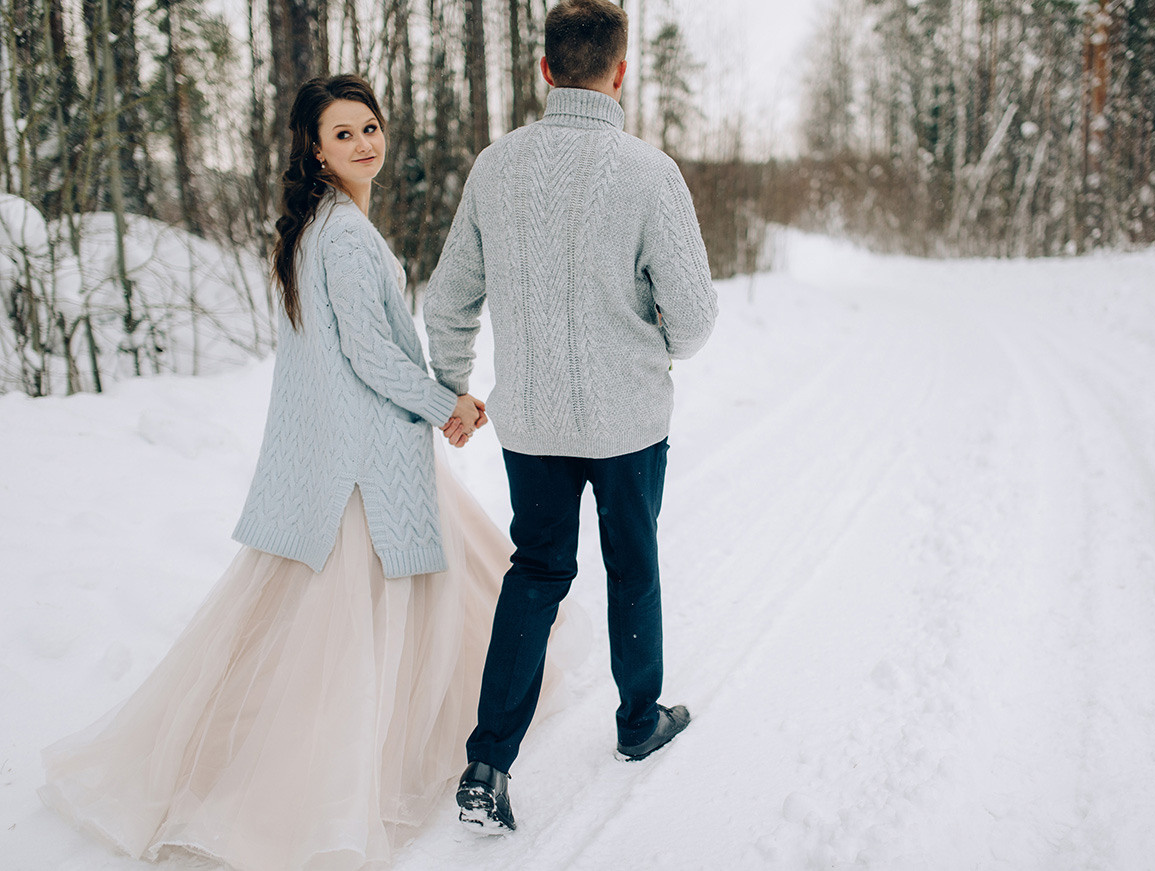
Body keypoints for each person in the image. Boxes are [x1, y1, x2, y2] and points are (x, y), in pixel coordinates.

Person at [39, 74, 536, 871]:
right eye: (344, 134)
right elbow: (370, 354)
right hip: (358, 461)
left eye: (370, 126)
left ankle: (336, 745)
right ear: (315, 148)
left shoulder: (325, 224)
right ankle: (303, 783)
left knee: (377, 608)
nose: (366, 143)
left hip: (355, 450)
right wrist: (447, 401)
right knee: (346, 636)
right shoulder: (338, 234)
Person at [424, 0, 718, 833]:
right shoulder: (649, 172)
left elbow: (448, 299)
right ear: (619, 72)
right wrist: (648, 331)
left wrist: (452, 386)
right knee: (633, 563)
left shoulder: (496, 167)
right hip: (629, 424)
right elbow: (693, 321)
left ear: (546, 70)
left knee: (537, 572)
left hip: (534, 425)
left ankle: (487, 764)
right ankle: (637, 723)